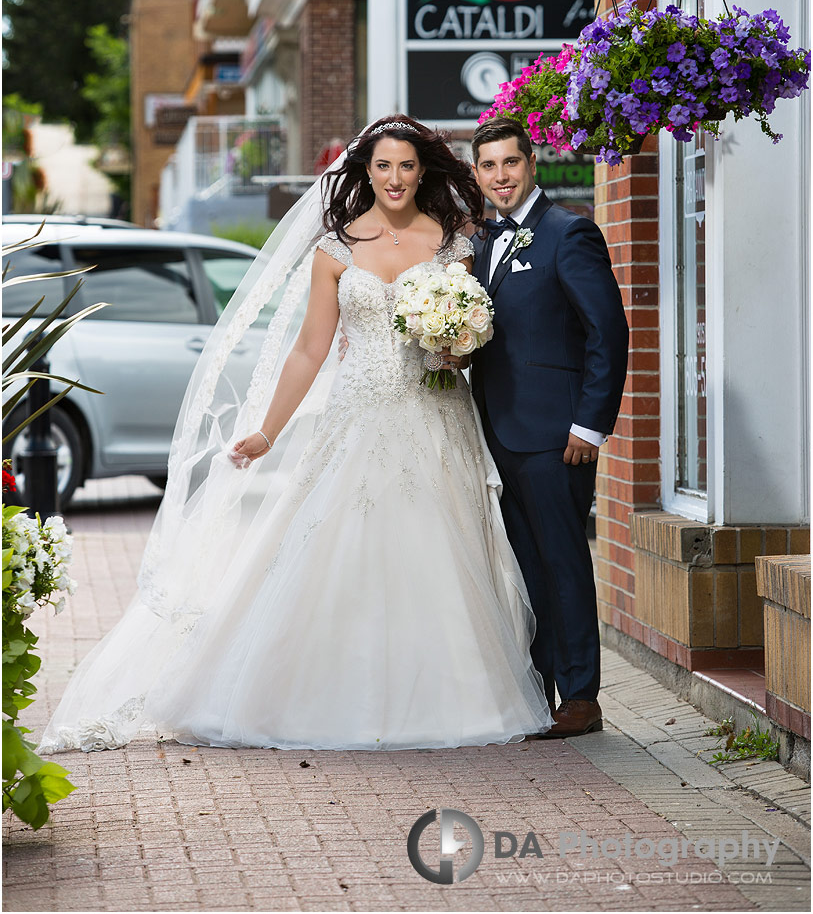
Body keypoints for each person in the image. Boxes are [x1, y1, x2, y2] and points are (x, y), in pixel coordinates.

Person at [40, 116, 552, 754]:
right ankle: (321, 695)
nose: (395, 179)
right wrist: (266, 431)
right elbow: (311, 351)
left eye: (407, 167)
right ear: (365, 171)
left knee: (439, 550)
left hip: (435, 414)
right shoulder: (336, 248)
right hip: (358, 415)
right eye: (383, 166)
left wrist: (454, 348)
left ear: (424, 172)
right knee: (341, 549)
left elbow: (473, 341)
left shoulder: (454, 243)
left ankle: (454, 695)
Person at [469, 116, 629, 739]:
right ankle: (540, 692)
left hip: (557, 436)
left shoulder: (569, 233)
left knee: (563, 563)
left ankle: (582, 696)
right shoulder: (481, 241)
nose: (500, 177)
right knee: (526, 568)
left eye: (510, 163)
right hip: (499, 433)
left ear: (530, 162)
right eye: (488, 167)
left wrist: (590, 425)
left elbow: (607, 333)